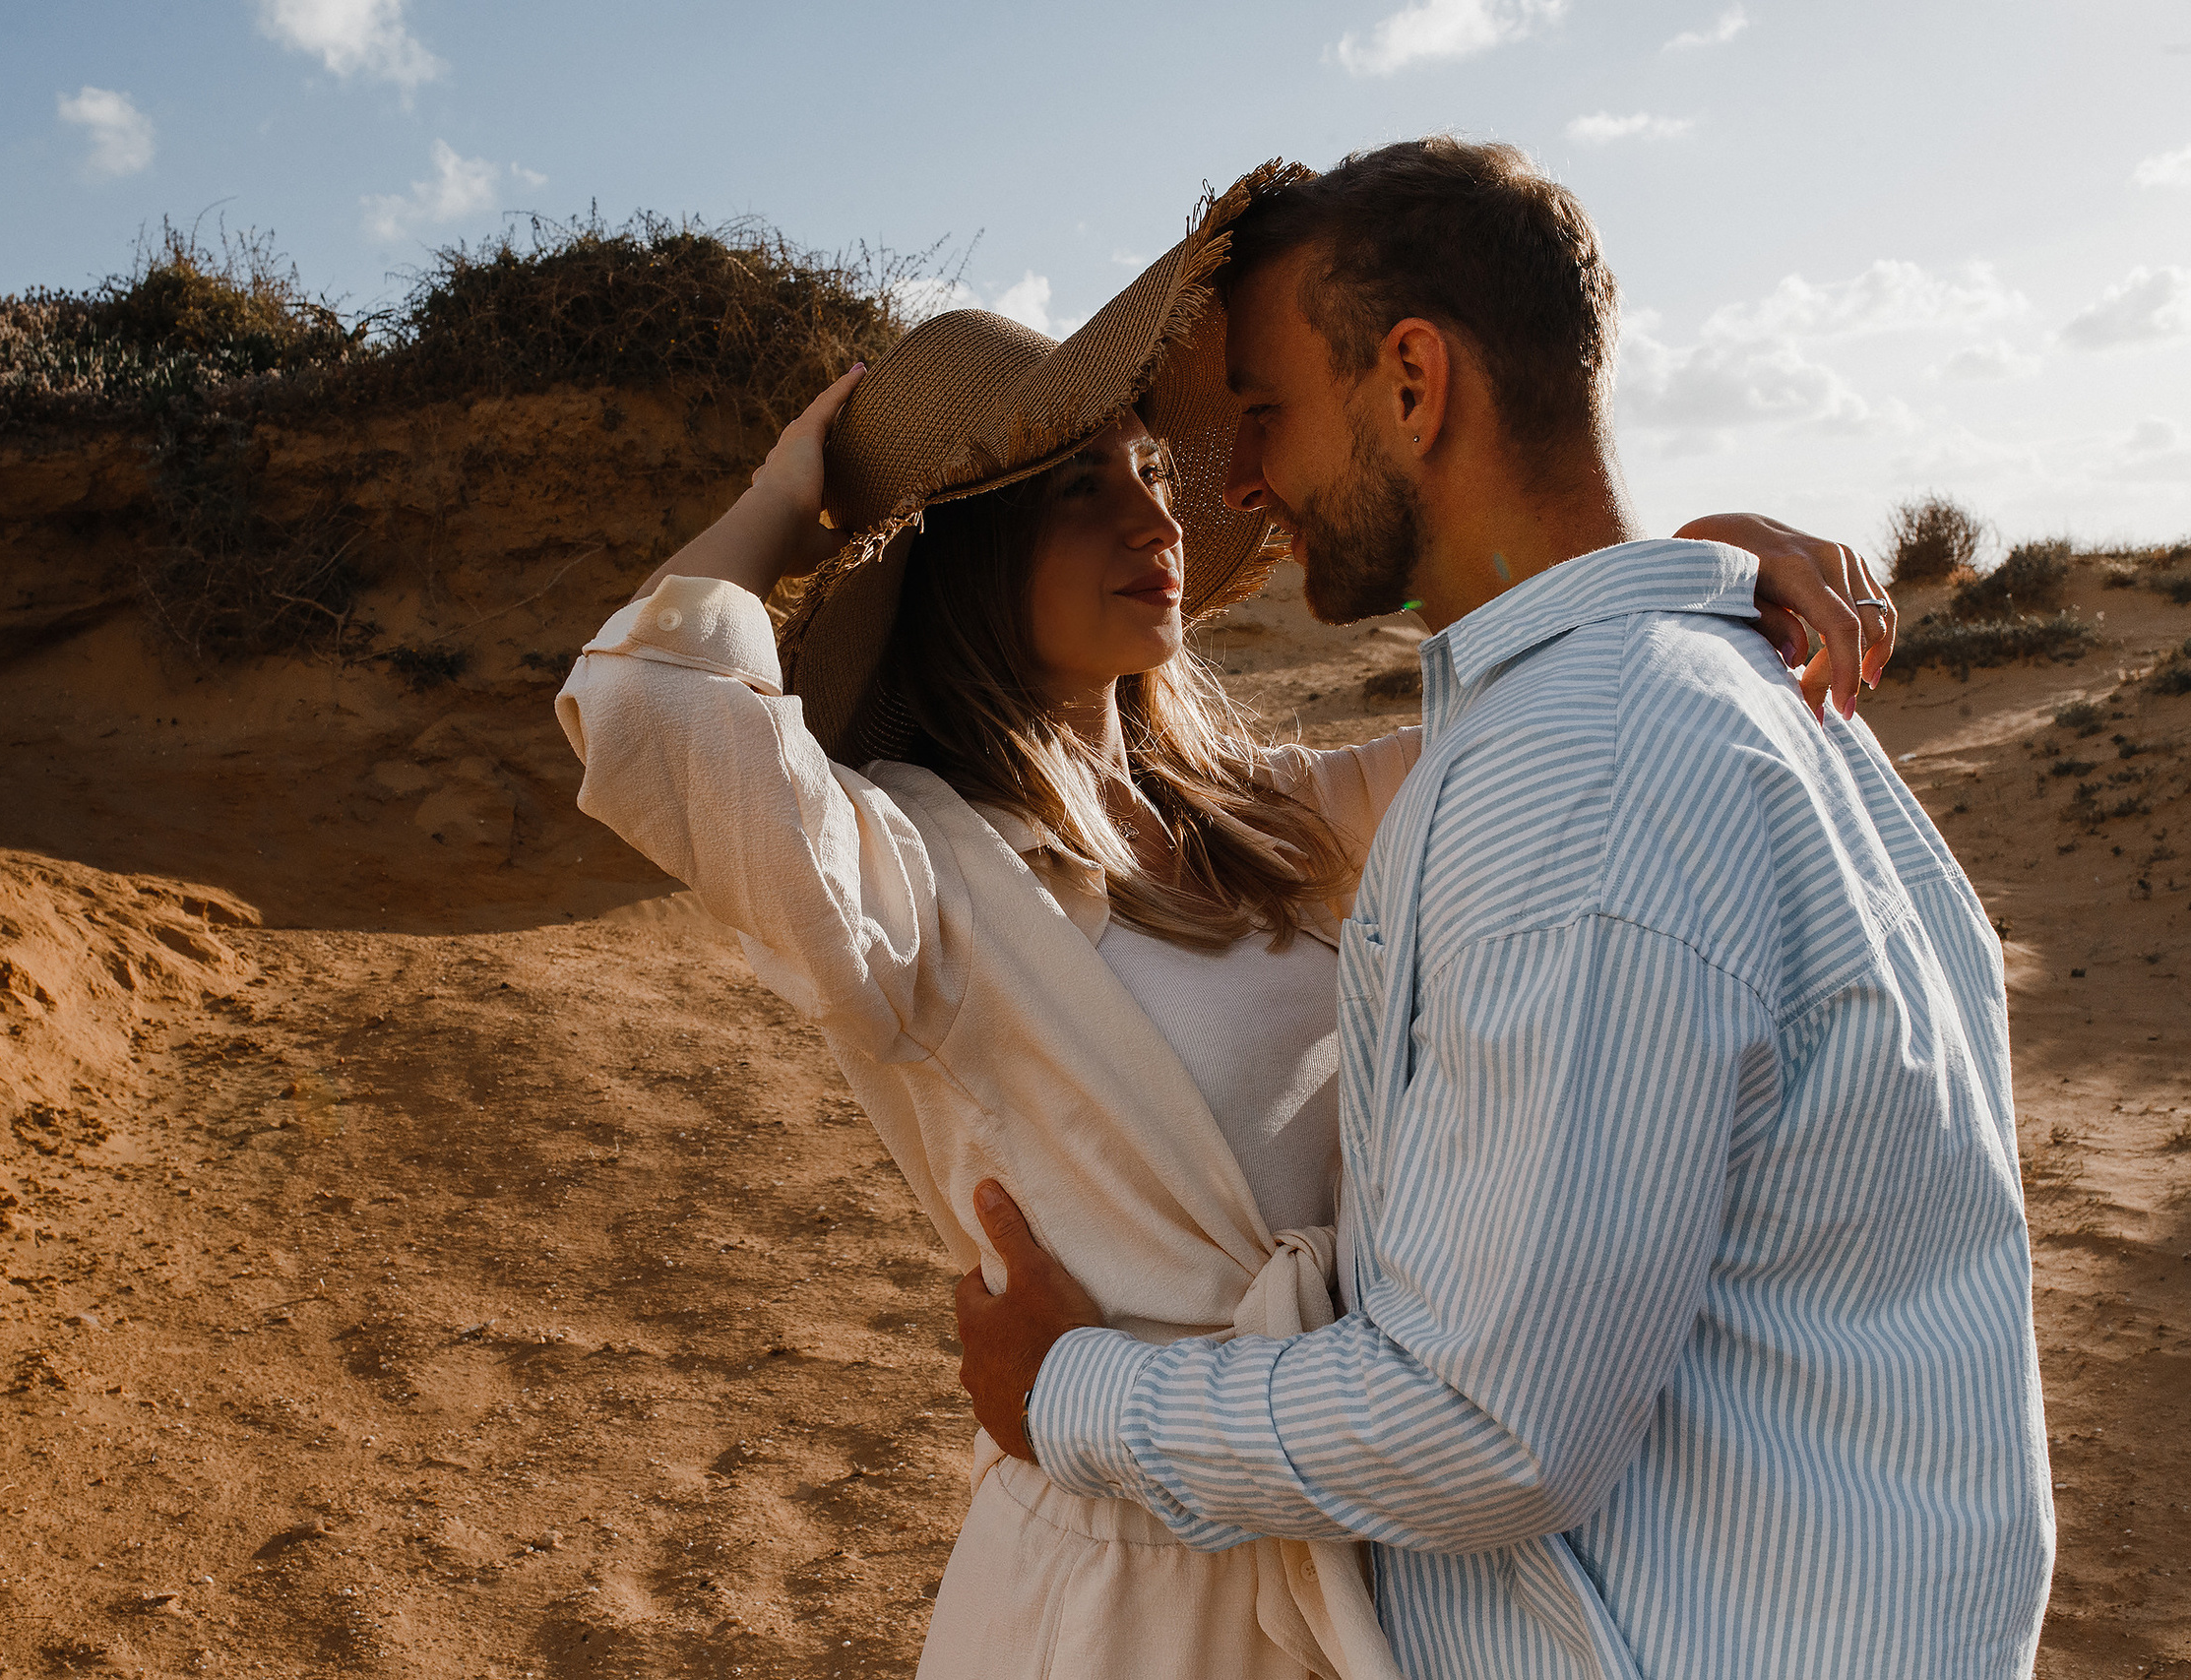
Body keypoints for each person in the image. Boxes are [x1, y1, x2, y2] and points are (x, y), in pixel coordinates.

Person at [557, 162, 1897, 1679]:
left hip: (1341, 1522)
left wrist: (1715, 557)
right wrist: (786, 502)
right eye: (1082, 488)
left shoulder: (1268, 816)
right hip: (1116, 1589)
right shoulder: (910, 872)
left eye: (1152, 468)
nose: (1158, 513)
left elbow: (1546, 702)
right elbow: (649, 717)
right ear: (967, 563)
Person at [954, 141, 2053, 1678]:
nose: (1246, 485)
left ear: (1413, 381)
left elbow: (1485, 1422)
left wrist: (1068, 1393)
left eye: (1262, 412)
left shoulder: (1576, 774)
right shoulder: (1725, 699)